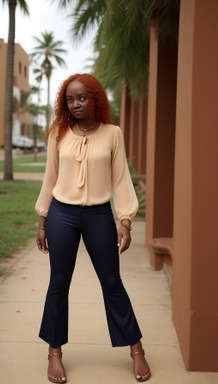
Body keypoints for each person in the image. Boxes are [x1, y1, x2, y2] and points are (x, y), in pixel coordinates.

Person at [35, 73, 151, 383]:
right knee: (58, 283)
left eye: (82, 98)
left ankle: (136, 350)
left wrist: (125, 220)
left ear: (95, 99)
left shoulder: (112, 133)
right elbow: (50, 178)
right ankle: (54, 353)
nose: (75, 104)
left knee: (112, 282)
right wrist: (43, 220)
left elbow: (121, 179)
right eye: (70, 99)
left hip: (99, 215)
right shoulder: (58, 133)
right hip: (62, 215)